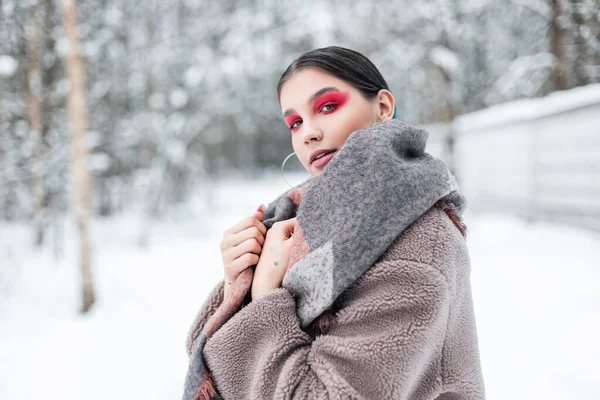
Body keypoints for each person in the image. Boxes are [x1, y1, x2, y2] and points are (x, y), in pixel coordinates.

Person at [185, 46, 486, 399]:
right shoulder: (296, 221)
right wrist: (237, 281)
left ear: (383, 106)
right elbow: (207, 357)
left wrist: (265, 295)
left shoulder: (418, 240)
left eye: (327, 106)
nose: (308, 133)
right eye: (295, 122)